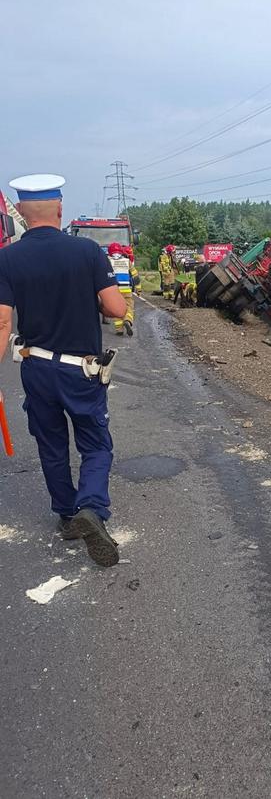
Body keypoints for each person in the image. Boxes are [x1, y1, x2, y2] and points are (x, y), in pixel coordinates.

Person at [0, 174, 128, 567]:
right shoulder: (87, 252)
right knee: (95, 444)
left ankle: (68, 516)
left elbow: (3, 324)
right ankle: (91, 507)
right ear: (59, 209)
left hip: (36, 367)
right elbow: (117, 310)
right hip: (81, 372)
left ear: (21, 212)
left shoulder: (6, 259)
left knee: (51, 444)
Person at [107, 242, 141, 336]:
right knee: (129, 307)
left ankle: (119, 330)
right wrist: (138, 289)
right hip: (126, 289)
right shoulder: (127, 261)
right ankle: (127, 320)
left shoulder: (107, 261)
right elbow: (135, 276)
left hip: (114, 291)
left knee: (115, 308)